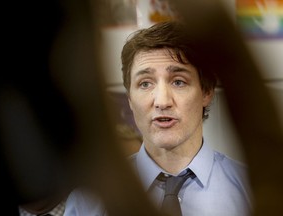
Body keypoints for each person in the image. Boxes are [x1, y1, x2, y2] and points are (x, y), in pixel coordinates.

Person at [64, 20, 253, 216]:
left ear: (206, 92)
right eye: (145, 84)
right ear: (129, 98)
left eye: (178, 82)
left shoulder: (251, 187)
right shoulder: (89, 199)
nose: (162, 101)